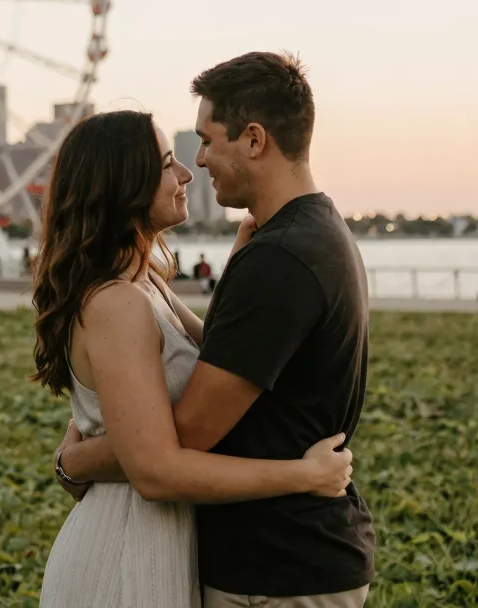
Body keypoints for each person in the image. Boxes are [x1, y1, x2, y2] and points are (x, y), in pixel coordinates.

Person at [54, 54, 375, 607]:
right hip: (238, 553)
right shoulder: (303, 238)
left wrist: (77, 461)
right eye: (172, 159)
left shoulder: (279, 260)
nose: (195, 164)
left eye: (203, 141)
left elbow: (177, 439)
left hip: (277, 566)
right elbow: (192, 378)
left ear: (254, 140)